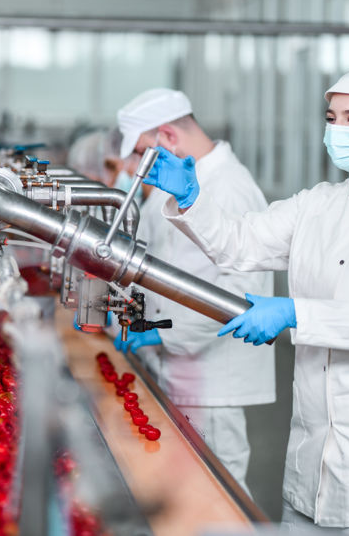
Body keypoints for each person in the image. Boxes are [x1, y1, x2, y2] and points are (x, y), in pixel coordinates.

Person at [146, 69, 349, 533]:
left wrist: (298, 313)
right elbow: (240, 243)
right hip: (307, 456)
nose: (339, 130)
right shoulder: (317, 204)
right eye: (332, 117)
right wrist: (193, 198)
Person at [112, 88, 275, 491]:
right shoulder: (183, 182)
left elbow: (239, 293)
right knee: (185, 489)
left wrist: (164, 332)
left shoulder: (230, 187)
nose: (136, 167)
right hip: (178, 366)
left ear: (167, 136)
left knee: (217, 492)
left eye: (143, 152)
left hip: (211, 380)